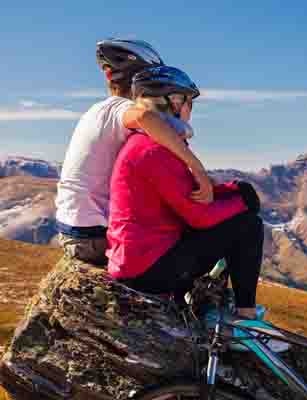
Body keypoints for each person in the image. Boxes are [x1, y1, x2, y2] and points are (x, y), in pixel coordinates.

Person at [106, 66, 263, 320]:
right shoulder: (153, 151)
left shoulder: (147, 144)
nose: (191, 110)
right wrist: (242, 201)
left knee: (235, 218)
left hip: (139, 260)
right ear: (174, 103)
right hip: (147, 268)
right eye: (189, 102)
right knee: (248, 226)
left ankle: (207, 302)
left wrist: (232, 192)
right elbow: (199, 216)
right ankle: (246, 318)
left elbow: (188, 193)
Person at [55, 39, 214, 265]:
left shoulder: (98, 111)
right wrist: (197, 169)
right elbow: (143, 116)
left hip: (77, 232)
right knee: (197, 231)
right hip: (93, 238)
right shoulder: (117, 108)